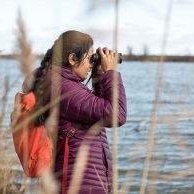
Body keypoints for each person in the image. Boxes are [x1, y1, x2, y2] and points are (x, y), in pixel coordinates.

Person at [17, 30, 127, 194]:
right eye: (90, 58)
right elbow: (116, 115)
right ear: (72, 58)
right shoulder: (61, 87)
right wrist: (111, 74)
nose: (91, 64)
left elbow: (97, 114)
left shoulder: (59, 83)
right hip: (77, 184)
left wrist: (99, 77)